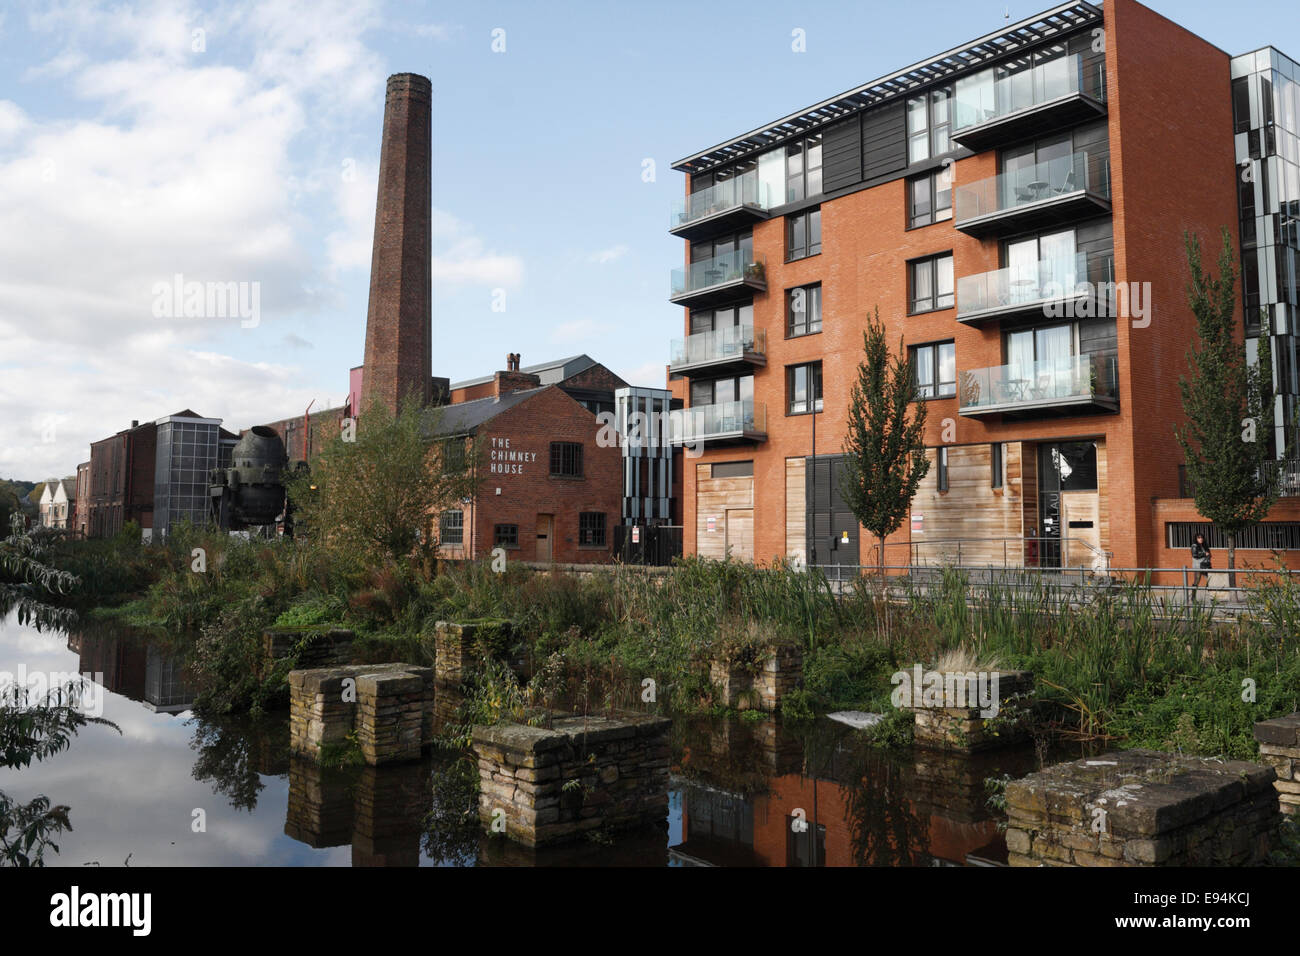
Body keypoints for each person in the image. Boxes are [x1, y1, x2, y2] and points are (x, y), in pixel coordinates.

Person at [1190, 532, 1212, 598]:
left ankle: (1212, 598)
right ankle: (1193, 597)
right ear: (1196, 538)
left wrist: (1208, 556)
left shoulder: (1204, 545)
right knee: (1196, 581)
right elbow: (1195, 555)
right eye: (1199, 538)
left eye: (1201, 537)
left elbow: (1209, 554)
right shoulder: (1194, 546)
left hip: (1205, 566)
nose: (1200, 539)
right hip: (1198, 566)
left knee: (1210, 581)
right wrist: (1204, 554)